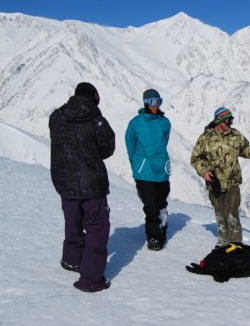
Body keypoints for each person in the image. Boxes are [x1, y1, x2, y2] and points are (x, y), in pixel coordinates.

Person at [49, 82, 115, 292]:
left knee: (73, 220)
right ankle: (91, 279)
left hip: (64, 180)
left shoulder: (57, 116)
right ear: (94, 96)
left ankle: (72, 259)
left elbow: (57, 139)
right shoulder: (96, 121)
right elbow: (106, 149)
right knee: (97, 228)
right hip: (91, 183)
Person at [191, 107, 250, 247]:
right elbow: (196, 159)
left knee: (232, 214)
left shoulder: (235, 135)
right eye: (227, 120)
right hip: (214, 182)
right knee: (220, 213)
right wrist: (205, 172)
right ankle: (223, 240)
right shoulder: (205, 138)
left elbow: (244, 149)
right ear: (219, 120)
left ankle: (236, 243)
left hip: (232, 181)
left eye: (231, 120)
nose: (230, 123)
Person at [125, 89, 171, 251]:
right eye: (152, 102)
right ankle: (153, 236)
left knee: (161, 202)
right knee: (150, 206)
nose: (156, 106)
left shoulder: (165, 122)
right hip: (144, 171)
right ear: (146, 103)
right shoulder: (136, 123)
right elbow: (130, 145)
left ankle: (162, 225)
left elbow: (164, 142)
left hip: (162, 170)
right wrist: (136, 163)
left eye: (159, 102)